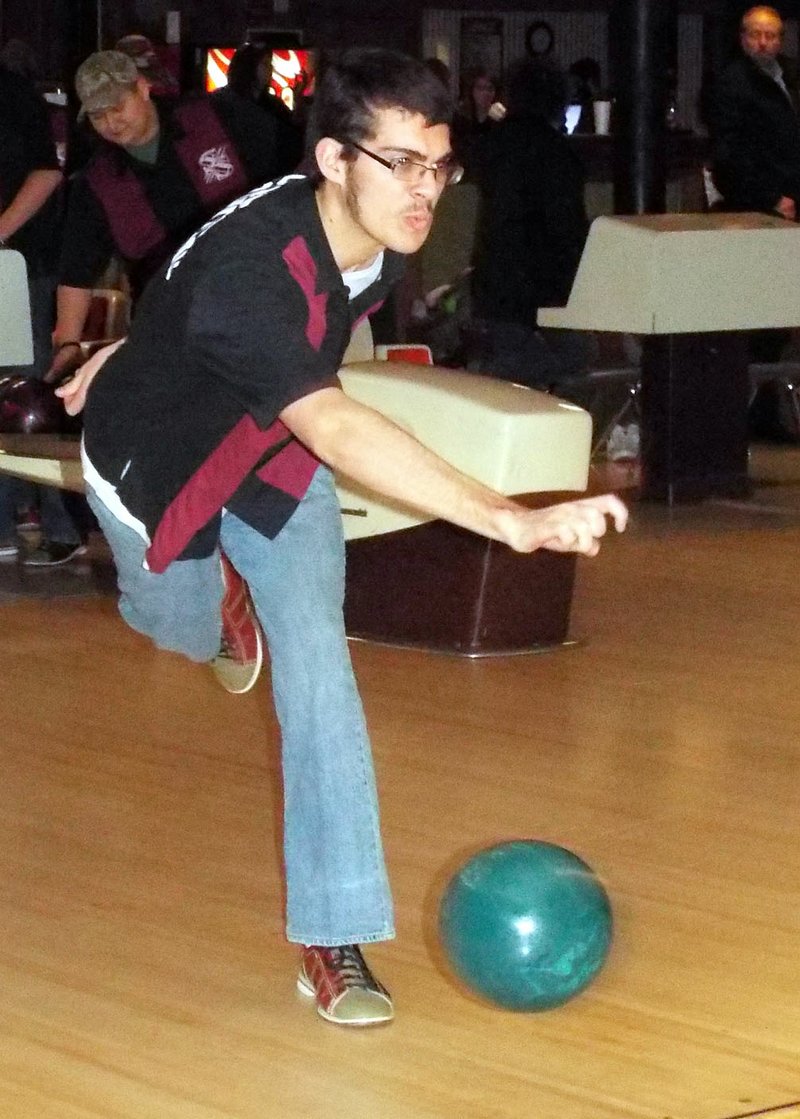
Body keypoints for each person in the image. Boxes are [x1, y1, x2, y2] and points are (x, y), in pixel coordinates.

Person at [57, 47, 627, 1029]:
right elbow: (337, 419)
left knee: (319, 672)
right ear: (330, 159)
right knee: (182, 628)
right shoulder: (253, 266)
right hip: (156, 473)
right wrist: (508, 516)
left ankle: (331, 939)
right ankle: (217, 614)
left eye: (436, 165)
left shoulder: (367, 235)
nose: (422, 194)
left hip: (272, 459)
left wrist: (148, 336)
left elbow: (281, 363)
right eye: (397, 163)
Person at [46, 48, 303, 385]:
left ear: (142, 87)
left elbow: (298, 172)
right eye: (98, 116)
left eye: (117, 107)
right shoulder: (97, 184)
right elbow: (76, 272)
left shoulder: (215, 117)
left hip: (257, 299)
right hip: (170, 327)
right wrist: (67, 344)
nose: (111, 123)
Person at [0, 56, 86, 565]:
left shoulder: (11, 91)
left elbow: (47, 173)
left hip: (22, 264)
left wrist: (1, 231)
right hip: (15, 259)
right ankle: (14, 521)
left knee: (27, 394)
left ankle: (59, 521)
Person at [468, 57, 595, 390]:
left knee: (507, 378)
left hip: (498, 283)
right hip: (547, 285)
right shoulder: (558, 153)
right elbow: (567, 228)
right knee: (575, 369)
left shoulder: (497, 142)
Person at [709, 5, 800, 218]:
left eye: (770, 36)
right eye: (755, 35)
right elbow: (731, 153)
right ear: (743, 38)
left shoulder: (793, 75)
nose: (762, 43)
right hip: (764, 203)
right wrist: (771, 198)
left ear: (780, 41)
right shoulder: (730, 83)